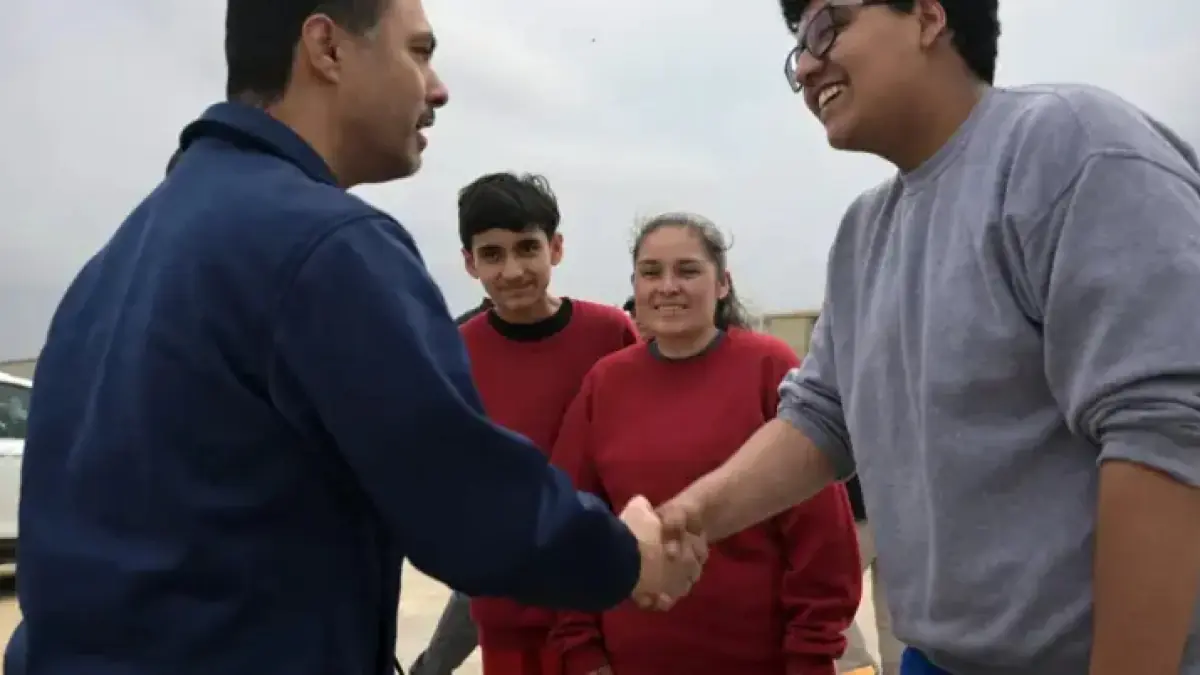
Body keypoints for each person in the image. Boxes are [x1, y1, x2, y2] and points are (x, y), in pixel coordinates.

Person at [7, 2, 704, 674]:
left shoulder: (113, 264)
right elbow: (462, 504)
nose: (438, 88)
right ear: (327, 47)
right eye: (418, 52)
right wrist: (627, 554)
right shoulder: (324, 244)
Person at [654, 1, 1200, 674]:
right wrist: (690, 516)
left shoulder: (1069, 146)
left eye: (826, 28)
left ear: (928, 17)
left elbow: (1166, 426)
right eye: (798, 50)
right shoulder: (864, 232)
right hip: (934, 658)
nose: (808, 67)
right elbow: (822, 417)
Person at [550, 213, 862, 675]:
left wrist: (810, 654)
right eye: (651, 272)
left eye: (688, 270)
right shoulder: (605, 382)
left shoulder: (767, 367)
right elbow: (571, 519)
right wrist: (581, 649)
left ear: (722, 284)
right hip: (629, 661)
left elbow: (821, 536)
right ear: (635, 285)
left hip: (759, 662)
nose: (667, 286)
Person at [835, 474, 901, 675]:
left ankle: (858, 667)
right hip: (898, 511)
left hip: (855, 514)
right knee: (895, 610)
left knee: (827, 597)